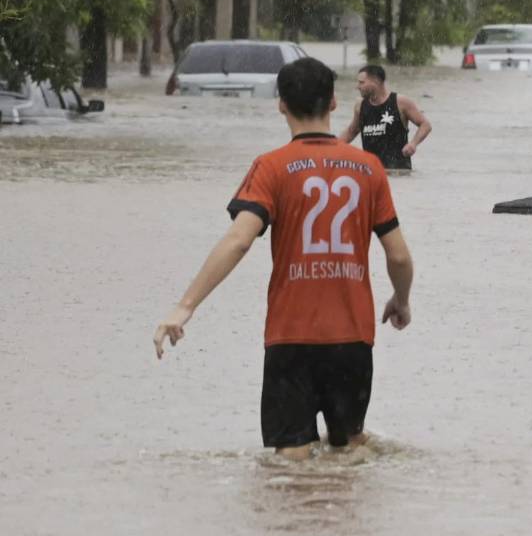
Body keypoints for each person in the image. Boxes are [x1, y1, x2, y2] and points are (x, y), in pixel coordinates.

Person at [153, 57, 415, 461]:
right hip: (352, 340)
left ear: (280, 104)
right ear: (332, 103)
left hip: (290, 338)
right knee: (351, 454)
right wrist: (401, 299)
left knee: (289, 463)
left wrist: (184, 307)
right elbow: (397, 254)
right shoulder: (370, 169)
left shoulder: (270, 167)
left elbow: (239, 241)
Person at [338, 64, 432, 172]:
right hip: (372, 173)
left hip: (399, 172)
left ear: (376, 82)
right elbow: (351, 131)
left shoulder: (400, 102)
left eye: (361, 82)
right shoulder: (360, 105)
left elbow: (425, 125)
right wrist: (331, 148)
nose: (358, 86)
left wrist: (413, 144)